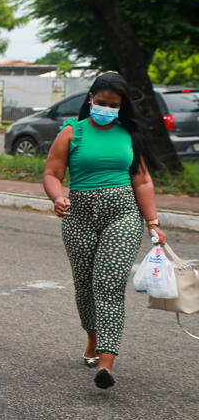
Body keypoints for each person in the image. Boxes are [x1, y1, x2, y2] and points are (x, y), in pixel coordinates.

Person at [43, 72, 165, 390]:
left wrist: (152, 223)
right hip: (78, 218)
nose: (107, 109)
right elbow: (52, 173)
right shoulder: (72, 132)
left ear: (121, 106)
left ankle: (106, 364)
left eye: (113, 105)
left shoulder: (129, 135)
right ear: (90, 99)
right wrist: (57, 197)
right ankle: (93, 339)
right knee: (85, 287)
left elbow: (143, 181)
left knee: (109, 285)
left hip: (123, 216)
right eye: (101, 102)